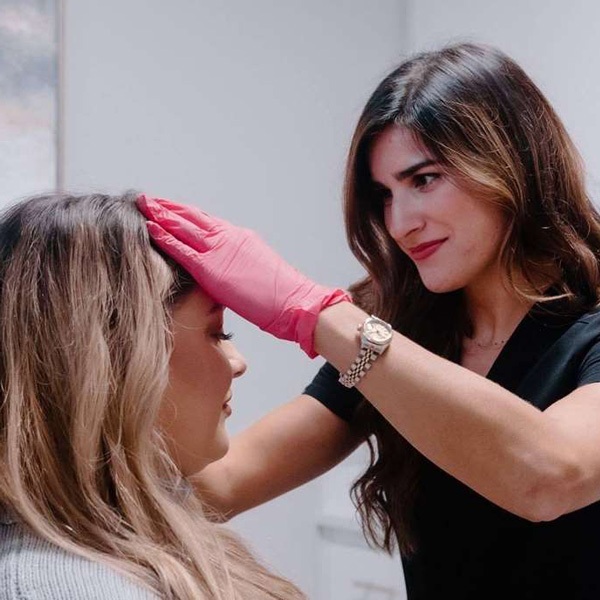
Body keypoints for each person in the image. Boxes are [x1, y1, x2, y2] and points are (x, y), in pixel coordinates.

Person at [139, 42, 600, 600]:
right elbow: (221, 485)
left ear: (511, 160)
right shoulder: (399, 327)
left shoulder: (584, 328)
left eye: (424, 179)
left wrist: (313, 311)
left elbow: (551, 476)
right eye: (384, 195)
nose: (401, 223)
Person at [0, 192, 305, 600]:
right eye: (218, 334)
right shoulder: (69, 585)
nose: (237, 361)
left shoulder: (128, 509)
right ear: (116, 362)